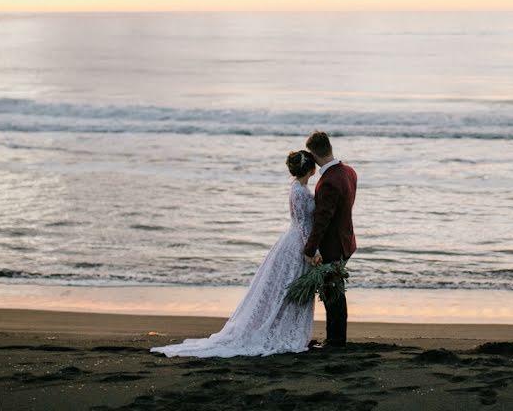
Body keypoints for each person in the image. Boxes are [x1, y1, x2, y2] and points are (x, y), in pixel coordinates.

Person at [150, 151, 316, 357]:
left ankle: (287, 327)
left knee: (286, 288)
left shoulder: (300, 187)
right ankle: (281, 330)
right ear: (311, 169)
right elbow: (301, 224)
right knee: (285, 288)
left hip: (295, 241)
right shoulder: (299, 191)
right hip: (296, 243)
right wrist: (311, 250)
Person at [303, 131, 358, 348]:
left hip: (333, 245)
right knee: (335, 291)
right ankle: (336, 339)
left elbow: (321, 221)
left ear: (313, 153)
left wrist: (310, 249)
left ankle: (335, 341)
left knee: (332, 293)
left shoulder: (328, 182)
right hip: (346, 239)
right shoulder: (348, 171)